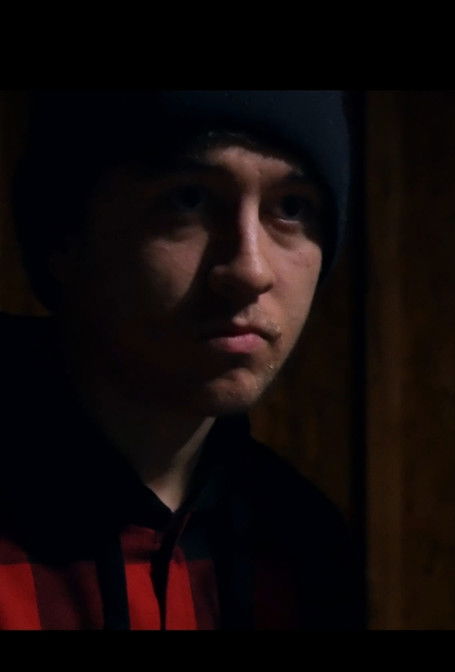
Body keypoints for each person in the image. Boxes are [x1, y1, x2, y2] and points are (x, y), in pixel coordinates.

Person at [0, 91, 363, 629]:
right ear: (63, 236)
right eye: (189, 200)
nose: (250, 269)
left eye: (291, 208)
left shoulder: (304, 549)